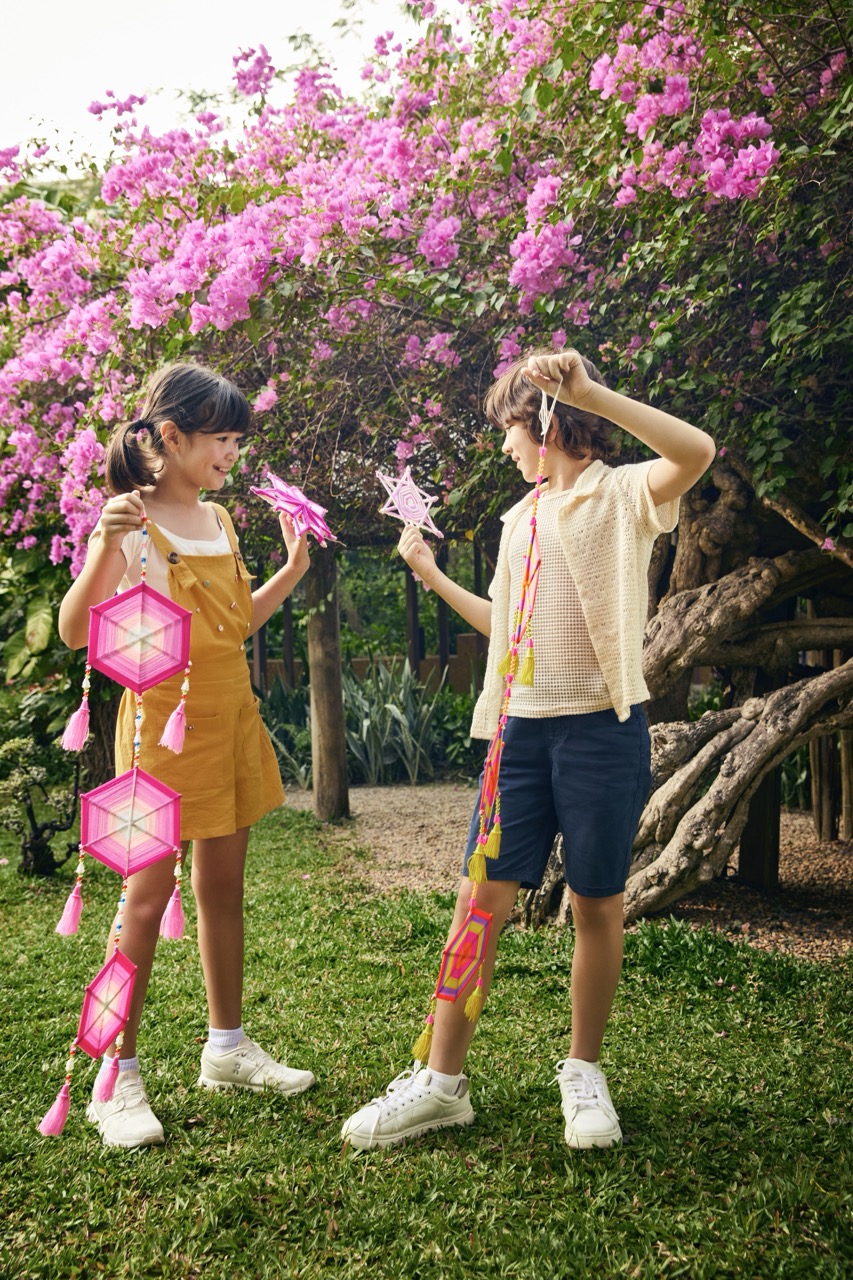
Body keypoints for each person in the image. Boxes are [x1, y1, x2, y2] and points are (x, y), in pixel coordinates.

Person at [341, 346, 715, 1151]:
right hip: (516, 735)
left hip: (601, 731)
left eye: (507, 429)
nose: (504, 446)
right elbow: (505, 626)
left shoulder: (622, 493)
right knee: (479, 901)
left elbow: (695, 451)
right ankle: (440, 1081)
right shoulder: (520, 519)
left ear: (542, 421)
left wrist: (593, 393)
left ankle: (583, 1072)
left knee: (595, 903)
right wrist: (431, 575)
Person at [58, 362, 315, 1148]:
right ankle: (113, 1076)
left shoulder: (220, 519)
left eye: (237, 440)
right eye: (221, 439)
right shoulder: (130, 523)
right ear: (170, 437)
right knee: (140, 905)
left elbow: (233, 626)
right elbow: (74, 632)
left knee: (222, 890)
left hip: (230, 718)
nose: (231, 454)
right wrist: (103, 551)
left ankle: (226, 1048)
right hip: (159, 735)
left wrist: (292, 571)